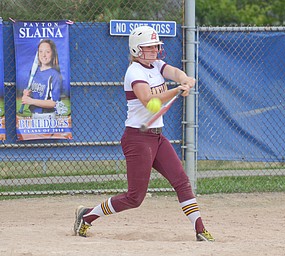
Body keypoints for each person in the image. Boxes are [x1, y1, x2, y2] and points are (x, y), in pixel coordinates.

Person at [74, 26, 214, 242]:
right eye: (149, 47)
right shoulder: (134, 72)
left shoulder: (157, 65)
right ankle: (87, 216)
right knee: (134, 198)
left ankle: (200, 230)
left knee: (182, 181)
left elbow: (174, 72)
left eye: (156, 46)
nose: (155, 50)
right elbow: (149, 101)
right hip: (137, 139)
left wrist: (185, 79)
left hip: (157, 137)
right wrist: (177, 90)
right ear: (136, 49)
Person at [21, 39, 62, 119]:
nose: (43, 55)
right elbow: (35, 92)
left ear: (53, 54)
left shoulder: (54, 75)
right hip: (33, 113)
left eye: (47, 52)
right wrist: (28, 93)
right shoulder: (34, 72)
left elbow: (54, 103)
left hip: (47, 116)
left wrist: (31, 101)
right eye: (41, 51)